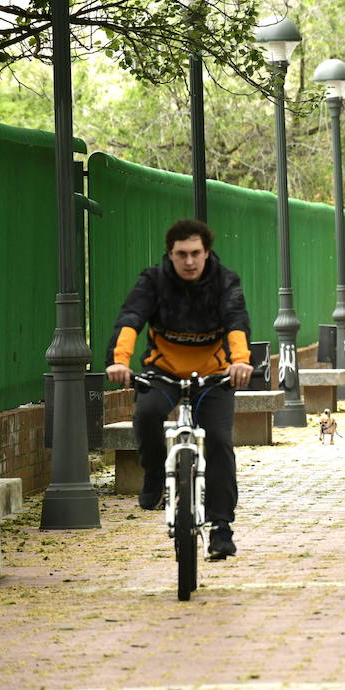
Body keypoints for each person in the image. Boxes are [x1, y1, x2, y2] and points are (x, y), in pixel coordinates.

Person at [105, 219, 253, 561]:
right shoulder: (154, 281)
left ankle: (221, 528)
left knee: (218, 440)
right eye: (181, 254)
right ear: (170, 255)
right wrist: (119, 360)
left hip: (213, 376)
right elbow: (130, 318)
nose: (189, 261)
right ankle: (156, 474)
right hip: (164, 372)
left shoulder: (225, 281)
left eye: (196, 253)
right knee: (146, 413)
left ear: (207, 253)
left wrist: (241, 361)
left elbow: (236, 321)